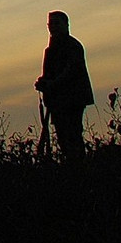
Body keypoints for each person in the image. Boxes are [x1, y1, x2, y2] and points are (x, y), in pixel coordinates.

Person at [35, 11, 96, 164]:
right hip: (57, 101)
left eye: (57, 23)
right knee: (63, 137)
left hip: (73, 99)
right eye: (51, 24)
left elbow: (71, 71)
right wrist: (43, 82)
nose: (53, 27)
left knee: (72, 136)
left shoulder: (73, 46)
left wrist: (52, 84)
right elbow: (49, 74)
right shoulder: (50, 50)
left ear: (66, 25)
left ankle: (79, 167)